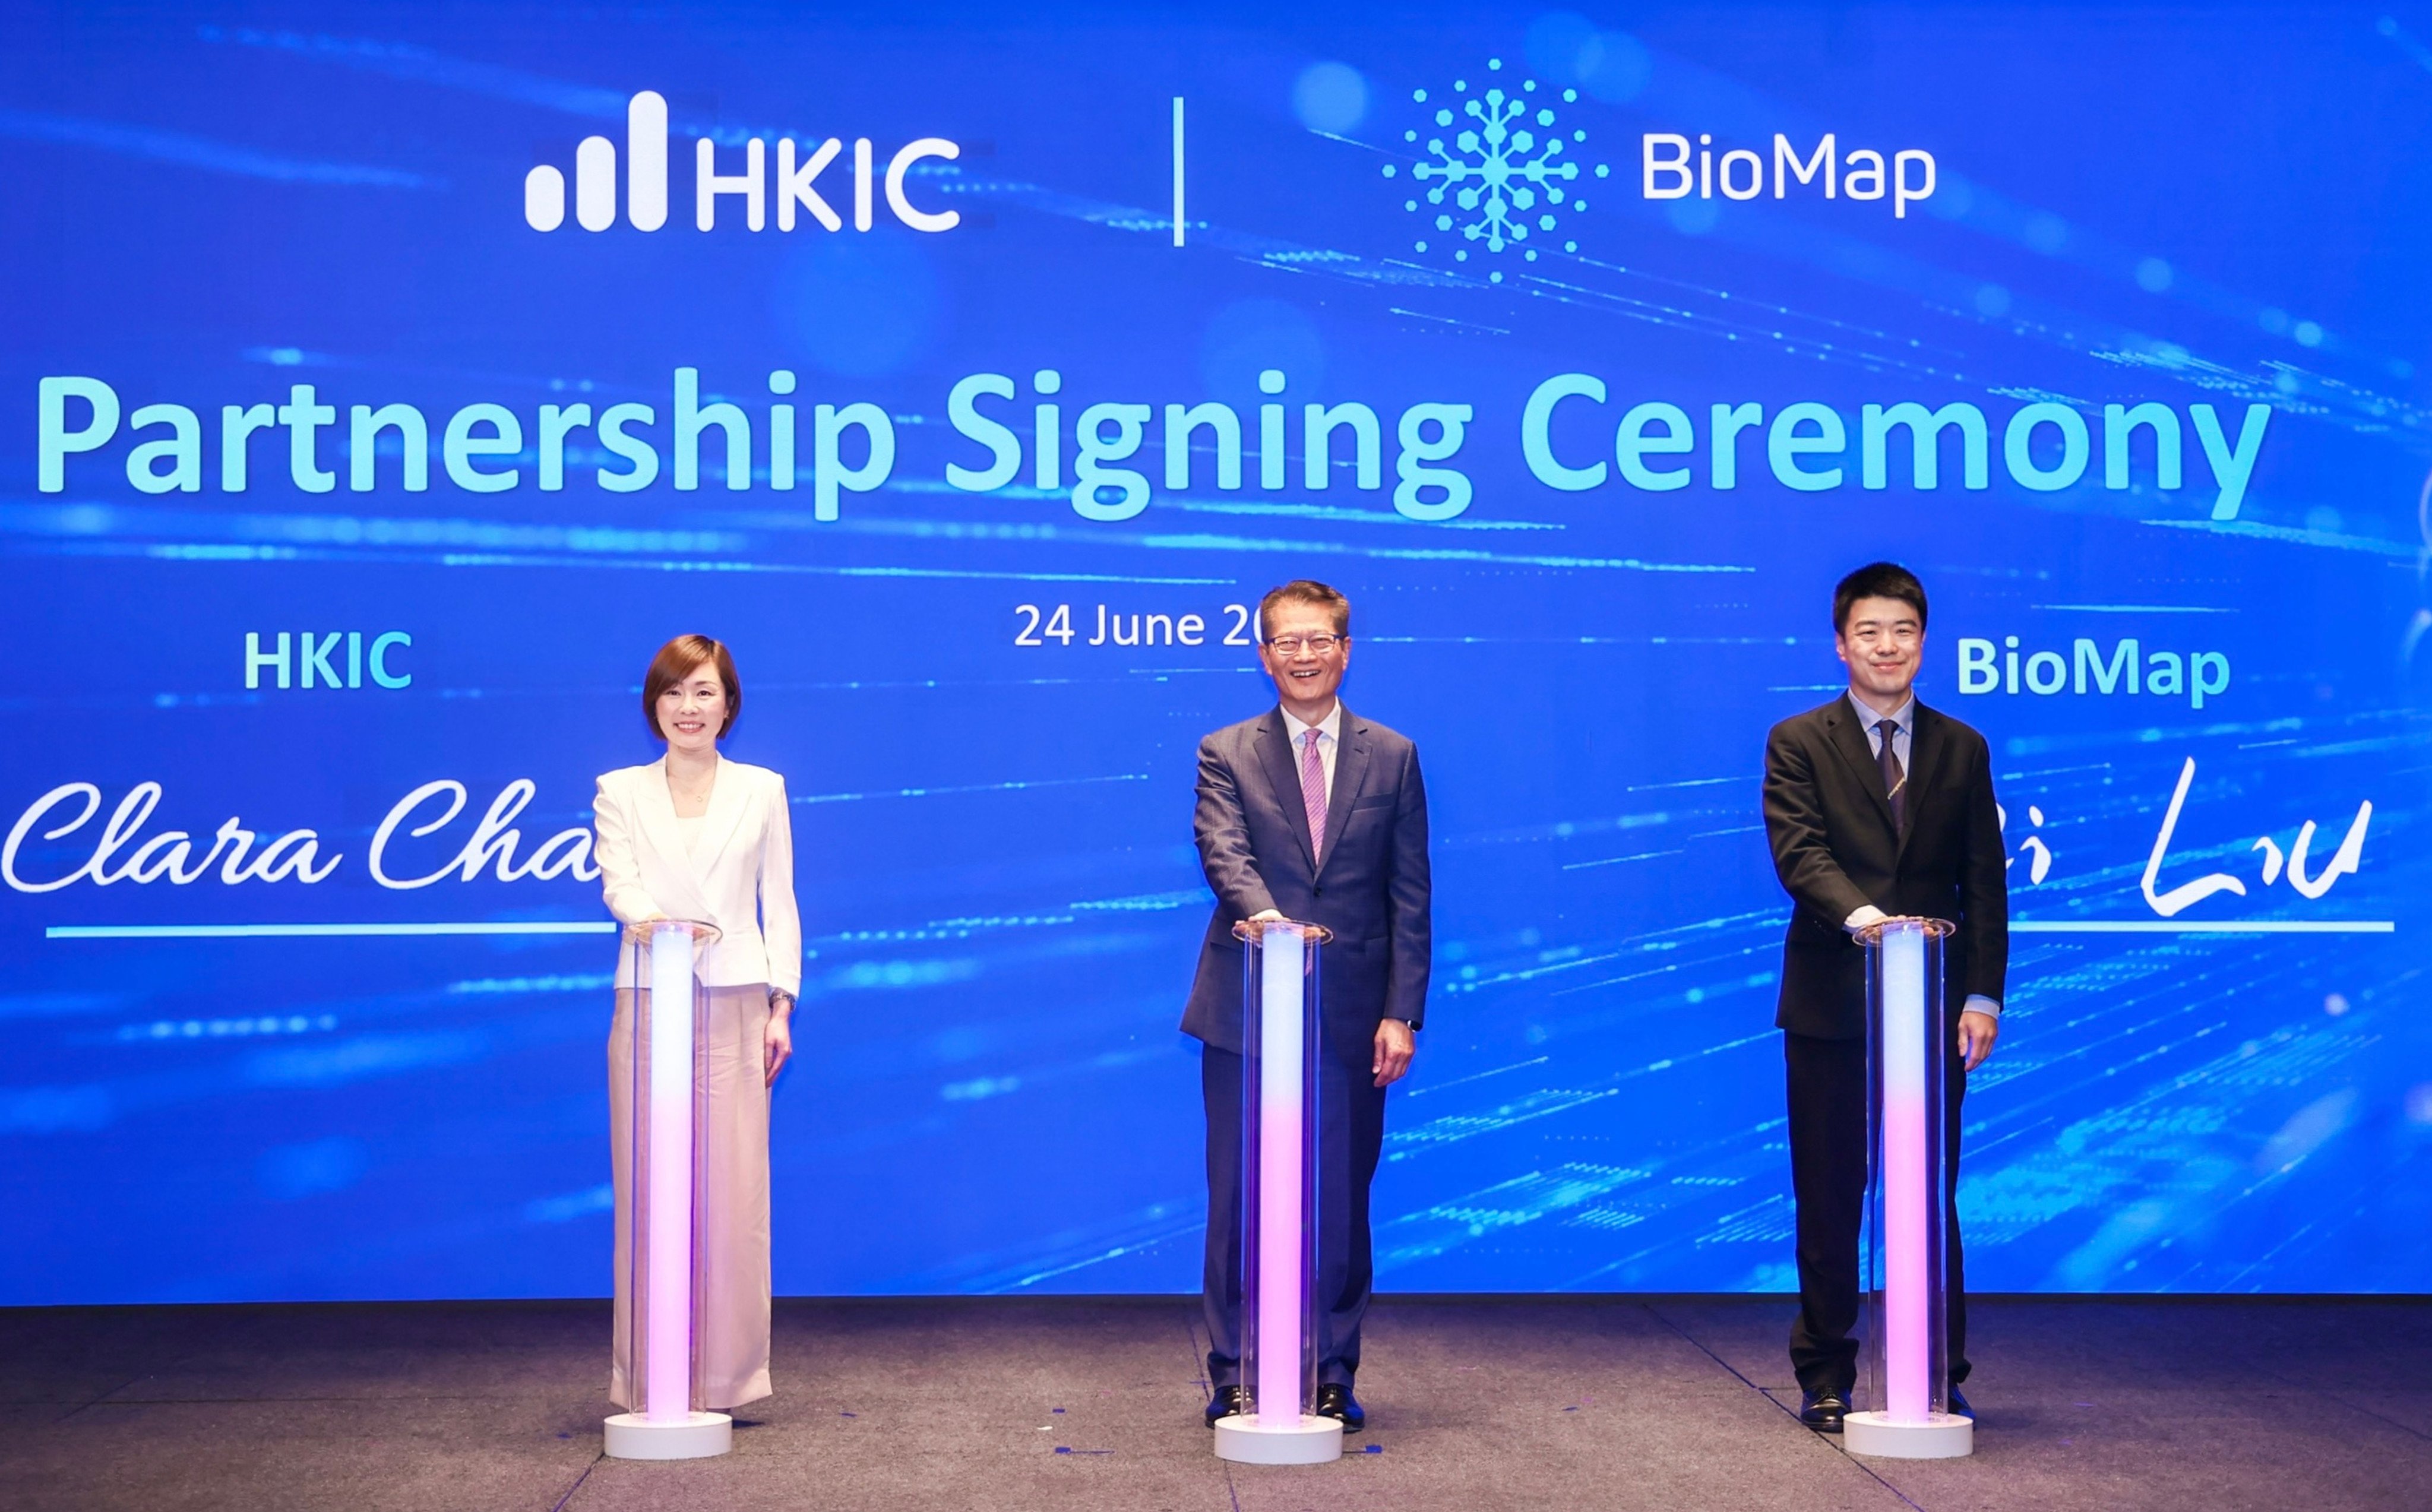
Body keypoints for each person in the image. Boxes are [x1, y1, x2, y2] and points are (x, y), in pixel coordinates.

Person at [1761, 562, 2007, 1432]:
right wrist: (1872, 921)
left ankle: (1938, 1367)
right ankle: (1826, 1370)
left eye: (1902, 630)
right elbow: (1800, 854)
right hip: (1832, 1004)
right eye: (1870, 631)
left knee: (1927, 1194)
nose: (1887, 646)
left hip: (1934, 1015)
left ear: (1923, 641)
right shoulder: (1799, 740)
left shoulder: (1962, 747)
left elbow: (1984, 883)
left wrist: (1982, 994)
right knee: (1830, 1195)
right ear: (1841, 643)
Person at [1184, 579, 1431, 1434]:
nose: (1303, 655)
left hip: (1353, 1017)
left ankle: (1331, 1368)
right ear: (1264, 653)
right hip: (1246, 1009)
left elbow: (1410, 894)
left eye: (1318, 640)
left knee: (1339, 1206)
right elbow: (1223, 849)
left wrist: (1403, 1010)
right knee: (1238, 1201)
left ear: (1345, 649)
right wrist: (1271, 921)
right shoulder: (1226, 749)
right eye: (1286, 641)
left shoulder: (1392, 755)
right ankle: (1235, 1370)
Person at [591, 634, 801, 1412]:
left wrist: (782, 1002)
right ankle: (650, 1379)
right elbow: (621, 884)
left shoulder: (763, 788)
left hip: (738, 998)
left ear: (729, 704)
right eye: (676, 692)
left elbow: (779, 903)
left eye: (705, 692)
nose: (690, 707)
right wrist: (661, 925)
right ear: (654, 704)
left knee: (735, 1195)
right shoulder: (619, 790)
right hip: (651, 997)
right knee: (650, 1190)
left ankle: (728, 1378)